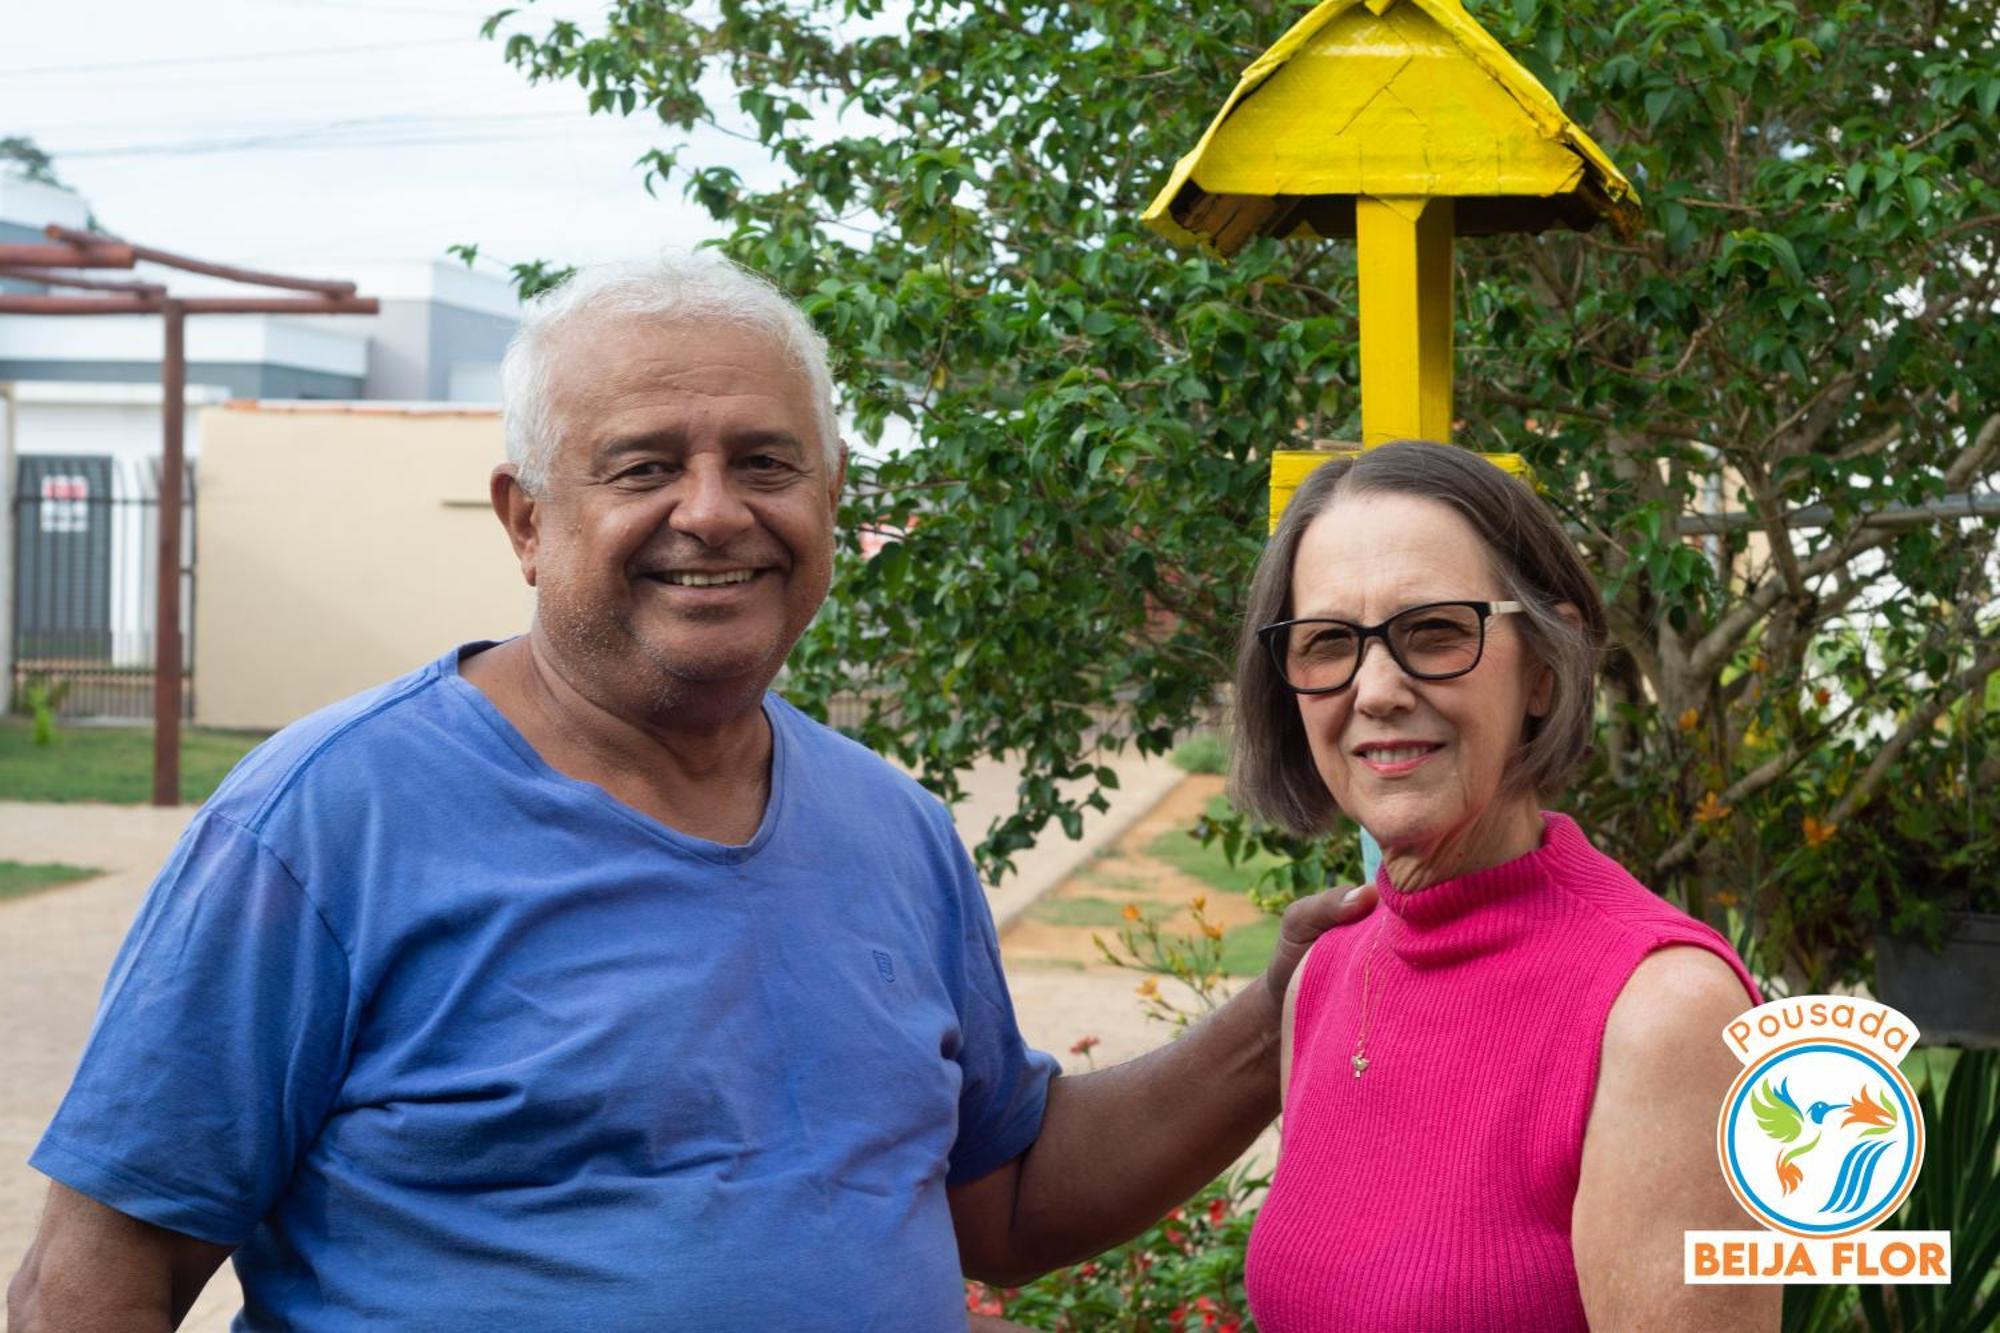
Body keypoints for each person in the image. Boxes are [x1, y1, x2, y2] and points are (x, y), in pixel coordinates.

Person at [6, 253, 1372, 1332]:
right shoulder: (324, 820)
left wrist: (1277, 1019)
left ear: (831, 497)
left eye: (765, 463)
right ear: (528, 520)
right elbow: (91, 1287)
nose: (714, 512)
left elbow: (998, 1199)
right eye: (646, 465)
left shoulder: (890, 827)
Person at [1234, 441, 1777, 1331]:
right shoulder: (1325, 979)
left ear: (1544, 665)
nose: (1376, 689)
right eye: (1328, 642)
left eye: (1437, 630)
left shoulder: (1667, 1013)